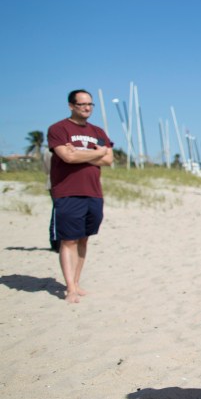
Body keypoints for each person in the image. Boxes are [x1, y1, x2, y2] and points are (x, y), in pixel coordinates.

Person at [47, 90, 114, 303]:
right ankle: (70, 288)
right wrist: (97, 152)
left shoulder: (98, 131)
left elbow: (108, 160)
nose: (87, 108)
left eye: (90, 104)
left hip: (93, 192)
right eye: (82, 104)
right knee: (68, 240)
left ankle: (76, 282)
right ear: (71, 106)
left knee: (84, 238)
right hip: (68, 192)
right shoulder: (58, 129)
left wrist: (80, 154)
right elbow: (66, 156)